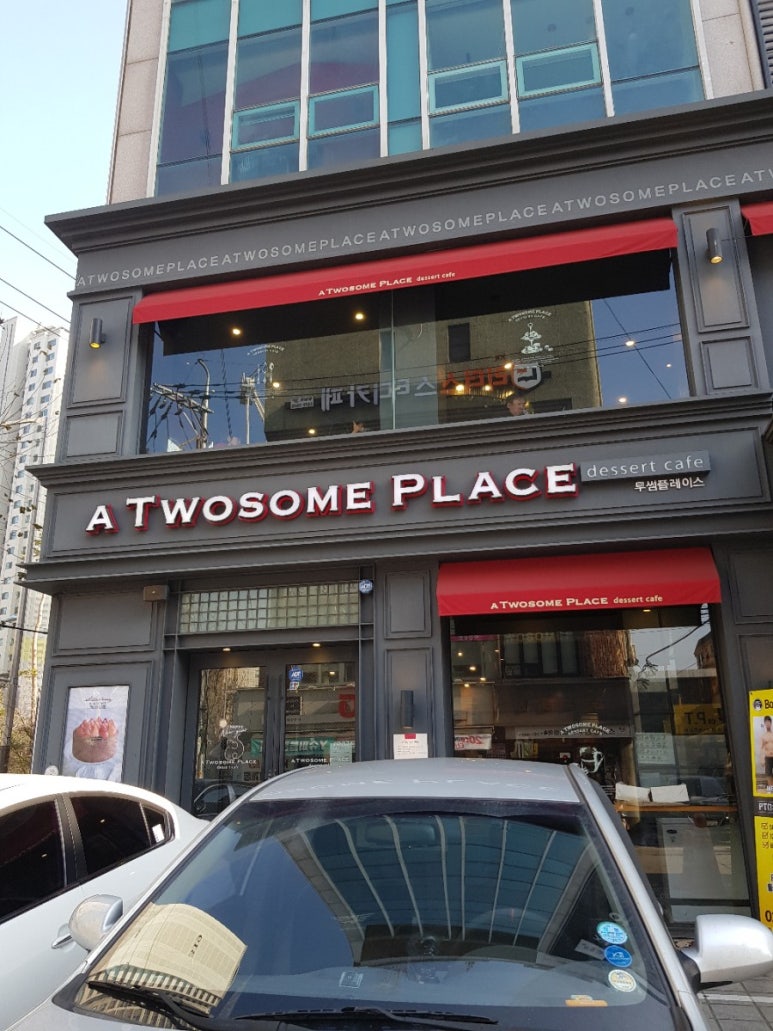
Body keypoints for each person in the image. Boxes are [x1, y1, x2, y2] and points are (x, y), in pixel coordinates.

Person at [759, 714, 773, 792]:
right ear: (764, 724)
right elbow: (762, 748)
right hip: (767, 757)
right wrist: (762, 759)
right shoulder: (763, 736)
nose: (767, 723)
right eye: (766, 722)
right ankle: (771, 789)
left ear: (771, 723)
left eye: (768, 722)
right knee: (768, 774)